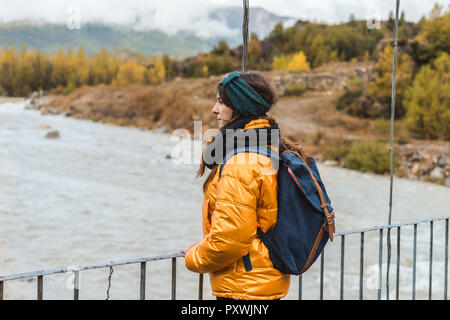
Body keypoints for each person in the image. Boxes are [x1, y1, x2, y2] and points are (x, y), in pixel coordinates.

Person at [182, 71, 311, 300]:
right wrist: (207, 244)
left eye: (221, 102)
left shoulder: (241, 162)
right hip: (263, 281)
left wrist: (194, 256)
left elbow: (230, 242)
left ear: (240, 107)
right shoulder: (270, 145)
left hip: (243, 290)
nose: (214, 109)